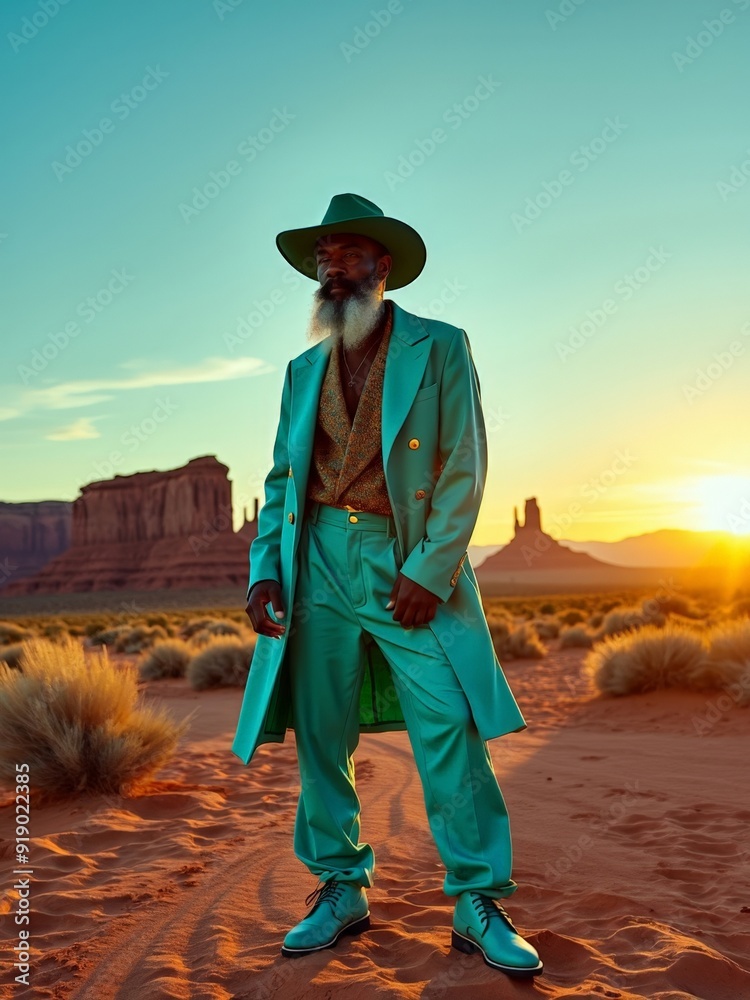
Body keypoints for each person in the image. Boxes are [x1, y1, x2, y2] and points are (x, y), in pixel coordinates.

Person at [231, 193, 543, 978]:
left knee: (447, 724)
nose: (330, 268)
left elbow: (464, 464)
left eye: (345, 254)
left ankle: (478, 900)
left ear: (384, 266)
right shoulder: (303, 370)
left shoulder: (440, 347)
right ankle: (341, 886)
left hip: (404, 558)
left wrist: (429, 571)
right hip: (317, 564)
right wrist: (266, 567)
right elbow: (280, 479)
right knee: (321, 730)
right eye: (321, 257)